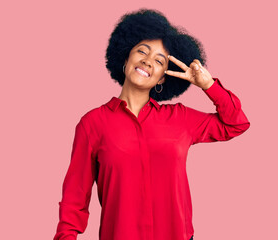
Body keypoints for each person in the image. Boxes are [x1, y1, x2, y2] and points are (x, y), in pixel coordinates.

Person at [53, 8, 250, 240]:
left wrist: (208, 85)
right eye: (142, 51)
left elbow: (236, 123)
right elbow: (74, 199)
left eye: (159, 60)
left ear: (163, 77)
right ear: (126, 58)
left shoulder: (181, 119)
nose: (148, 61)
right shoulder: (92, 124)